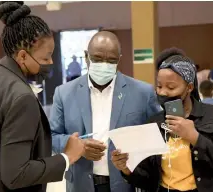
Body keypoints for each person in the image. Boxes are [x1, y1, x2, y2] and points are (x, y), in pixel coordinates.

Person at [0, 2, 85, 192]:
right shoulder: (22, 97)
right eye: (46, 58)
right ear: (22, 56)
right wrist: (68, 157)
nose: (51, 62)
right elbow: (16, 174)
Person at [111, 47, 213, 192]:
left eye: (171, 87)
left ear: (189, 87)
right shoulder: (154, 123)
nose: (162, 92)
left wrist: (195, 138)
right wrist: (126, 169)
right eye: (159, 86)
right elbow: (148, 181)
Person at [50, 31, 161, 192]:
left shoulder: (142, 93)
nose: (104, 65)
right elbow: (52, 136)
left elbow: (156, 137)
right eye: (97, 58)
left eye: (111, 61)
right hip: (82, 184)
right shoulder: (64, 93)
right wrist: (77, 147)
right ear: (86, 56)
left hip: (126, 184)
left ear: (119, 59)